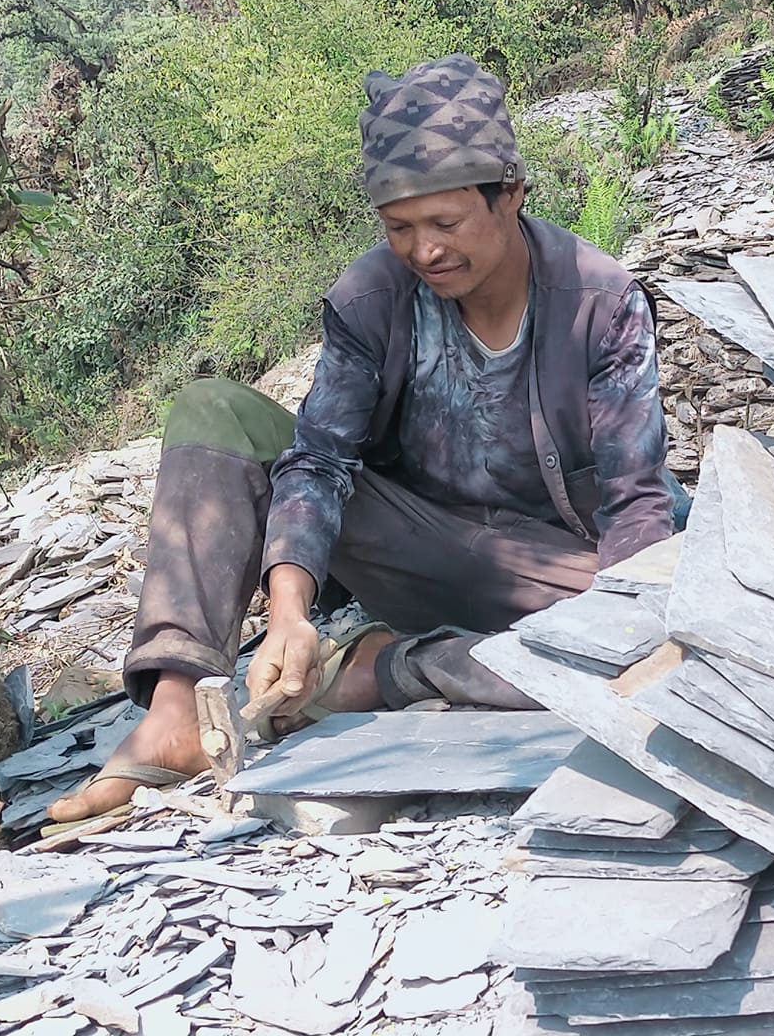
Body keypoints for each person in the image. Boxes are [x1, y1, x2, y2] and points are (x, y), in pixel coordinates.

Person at [49, 54, 674, 823]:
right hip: (409, 545)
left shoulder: (600, 302)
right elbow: (319, 460)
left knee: (659, 660)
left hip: (555, 573)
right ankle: (177, 711)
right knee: (215, 410)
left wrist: (625, 630)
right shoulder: (372, 297)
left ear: (510, 193)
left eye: (446, 223)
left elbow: (635, 502)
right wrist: (288, 613)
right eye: (400, 228)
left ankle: (388, 670)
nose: (425, 251)